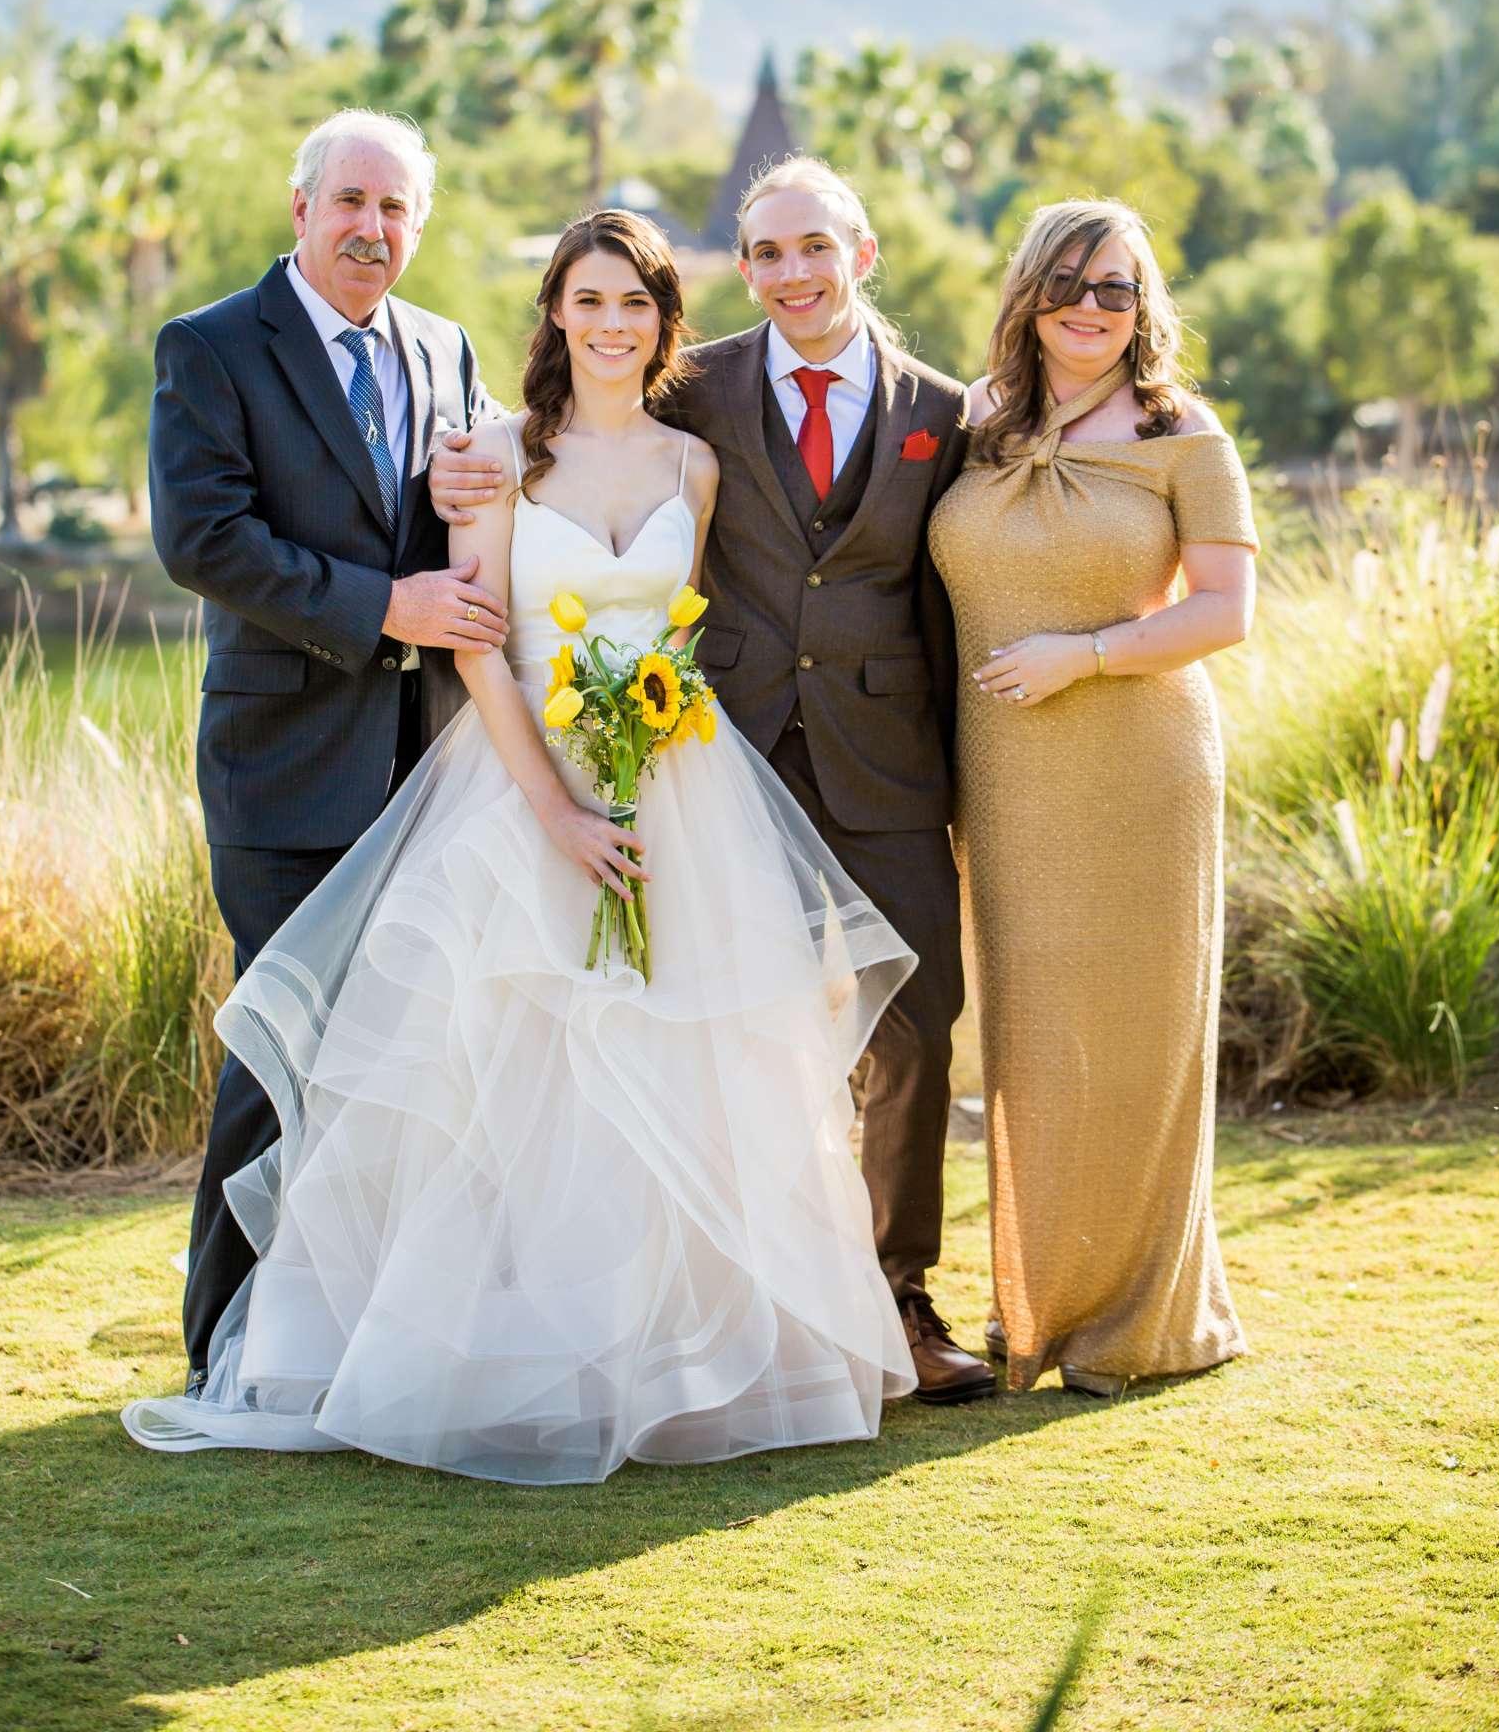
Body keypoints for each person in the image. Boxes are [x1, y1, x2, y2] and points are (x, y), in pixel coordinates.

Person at [124, 211, 917, 1481]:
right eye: (588, 301)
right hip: (515, 786)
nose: (611, 325)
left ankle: (668, 1356)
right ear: (554, 311)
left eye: (637, 305)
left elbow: (681, 631)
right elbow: (476, 639)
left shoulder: (692, 468)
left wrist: (645, 749)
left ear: (665, 324)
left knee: (684, 1066)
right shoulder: (495, 459)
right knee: (513, 1067)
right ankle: (491, 1350)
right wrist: (552, 802)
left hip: (675, 786)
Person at [433, 159, 995, 1402]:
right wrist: (452, 465)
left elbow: (973, 565)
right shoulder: (705, 387)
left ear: (860, 250)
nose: (792, 273)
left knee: (910, 1025)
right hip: (717, 745)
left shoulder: (945, 412)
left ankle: (893, 1297)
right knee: (701, 1033)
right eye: (767, 253)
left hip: (878, 757)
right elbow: (549, 431)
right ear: (742, 270)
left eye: (814, 248)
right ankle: (627, 1306)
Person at [147, 108, 507, 1391]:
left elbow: (478, 495)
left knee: (397, 1054)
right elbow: (203, 538)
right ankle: (225, 1346)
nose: (372, 229)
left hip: (425, 769)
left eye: (396, 209)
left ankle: (347, 1330)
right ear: (301, 209)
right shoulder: (211, 348)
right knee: (280, 1045)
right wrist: (382, 609)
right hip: (283, 766)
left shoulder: (447, 348)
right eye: (351, 202)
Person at [928, 197, 1257, 1395]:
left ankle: (1138, 1320)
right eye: (1068, 280)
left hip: (1139, 768)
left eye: (1116, 287)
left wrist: (1085, 653)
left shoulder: (1185, 435)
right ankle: (1040, 1305)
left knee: (1133, 1038)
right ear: (1027, 291)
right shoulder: (973, 423)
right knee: (1030, 1040)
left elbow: (1225, 610)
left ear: (1144, 306)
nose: (1089, 306)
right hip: (1005, 778)